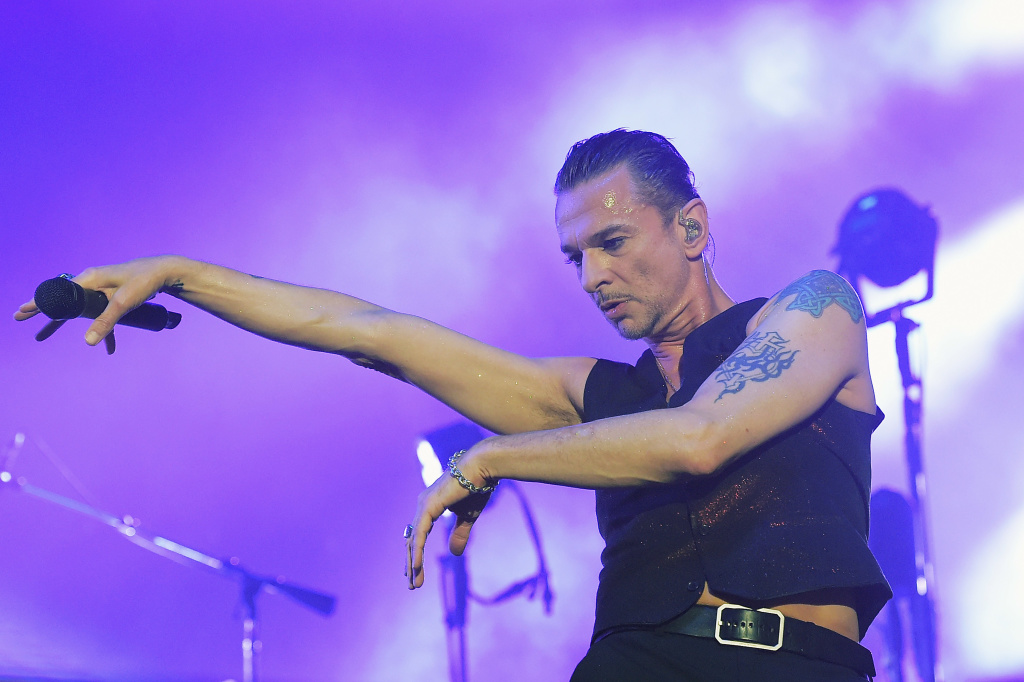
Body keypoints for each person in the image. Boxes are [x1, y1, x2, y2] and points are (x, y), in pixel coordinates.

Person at [16, 130, 890, 680]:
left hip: (792, 664)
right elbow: (371, 331)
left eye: (612, 243)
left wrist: (492, 455)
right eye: (575, 258)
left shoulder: (815, 309)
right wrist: (182, 274)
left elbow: (700, 439)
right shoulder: (595, 395)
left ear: (691, 229)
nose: (592, 278)